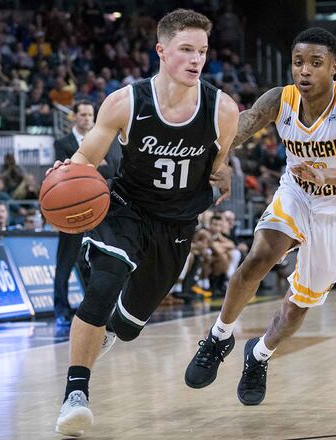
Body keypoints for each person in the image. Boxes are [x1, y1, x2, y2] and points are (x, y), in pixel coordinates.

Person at [53, 9, 238, 436]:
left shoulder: (222, 110)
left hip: (176, 226)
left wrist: (222, 180)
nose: (196, 60)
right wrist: (70, 172)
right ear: (161, 50)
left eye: (202, 51)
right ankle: (75, 394)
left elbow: (219, 169)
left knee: (129, 327)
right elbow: (86, 158)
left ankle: (112, 327)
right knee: (104, 283)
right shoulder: (125, 102)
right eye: (186, 50)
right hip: (125, 207)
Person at [184, 27, 336, 407]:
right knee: (259, 256)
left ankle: (258, 355)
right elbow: (236, 131)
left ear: (334, 68)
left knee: (298, 304)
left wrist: (328, 174)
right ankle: (219, 335)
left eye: (315, 63)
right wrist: (218, 162)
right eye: (297, 63)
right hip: (297, 194)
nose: (304, 71)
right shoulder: (280, 99)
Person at [51, 100, 122, 327]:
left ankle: (91, 311)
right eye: (82, 114)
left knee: (92, 263)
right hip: (70, 210)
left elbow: (112, 170)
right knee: (65, 263)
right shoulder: (62, 143)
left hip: (98, 212)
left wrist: (88, 167)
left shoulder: (105, 141)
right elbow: (65, 172)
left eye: (90, 114)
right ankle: (60, 310)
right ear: (74, 117)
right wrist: (91, 165)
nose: (87, 118)